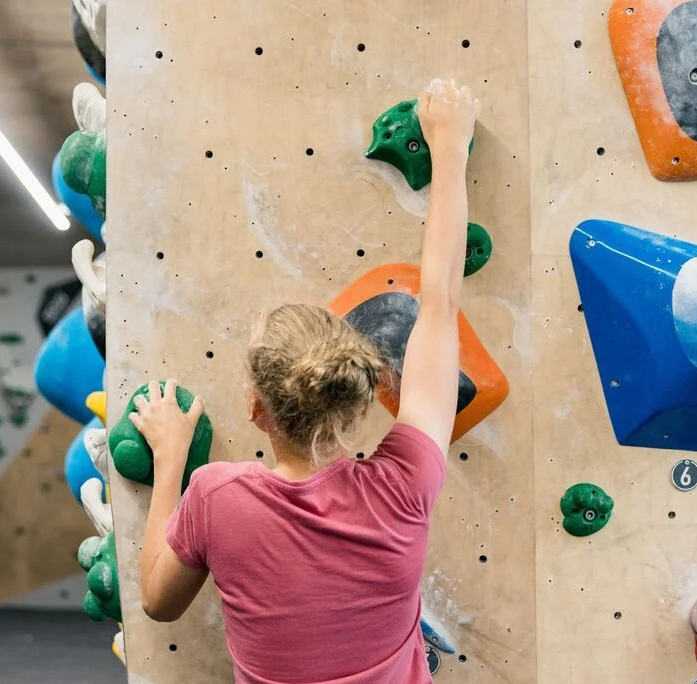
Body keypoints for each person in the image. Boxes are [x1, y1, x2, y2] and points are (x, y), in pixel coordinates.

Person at [132, 78, 478, 683]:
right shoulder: (403, 484)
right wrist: (450, 154)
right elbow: (441, 303)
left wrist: (171, 461)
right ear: (352, 397)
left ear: (257, 410)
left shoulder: (215, 498)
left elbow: (159, 604)